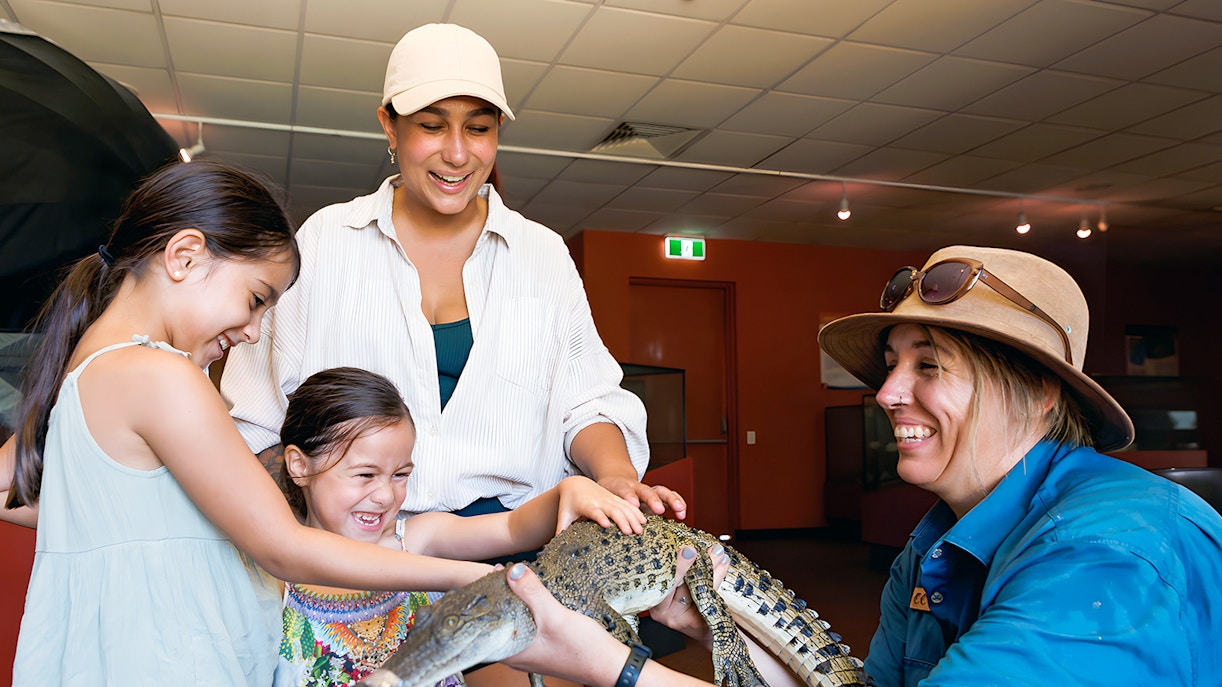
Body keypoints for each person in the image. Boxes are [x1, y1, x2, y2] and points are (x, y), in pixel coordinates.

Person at [0, 160, 578, 685]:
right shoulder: (162, 375)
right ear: (185, 256)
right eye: (255, 298)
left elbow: (26, 493)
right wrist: (464, 581)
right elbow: (281, 545)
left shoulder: (85, 369)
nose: (253, 331)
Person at [219, 22, 685, 529]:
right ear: (389, 126)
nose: (458, 153)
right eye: (432, 126)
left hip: (515, 545)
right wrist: (298, 544)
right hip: (357, 552)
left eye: (479, 128)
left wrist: (615, 475)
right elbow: (258, 419)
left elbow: (586, 402)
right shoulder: (326, 241)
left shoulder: (541, 255)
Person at [811, 245, 1222, 685]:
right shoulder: (929, 550)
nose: (886, 394)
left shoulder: (1104, 546)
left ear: (1037, 394)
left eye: (929, 365)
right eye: (892, 366)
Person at [274, 366, 646, 687]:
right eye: (365, 474)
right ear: (299, 466)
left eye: (400, 474)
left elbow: (515, 528)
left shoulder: (415, 539)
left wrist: (571, 490)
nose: (385, 495)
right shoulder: (275, 575)